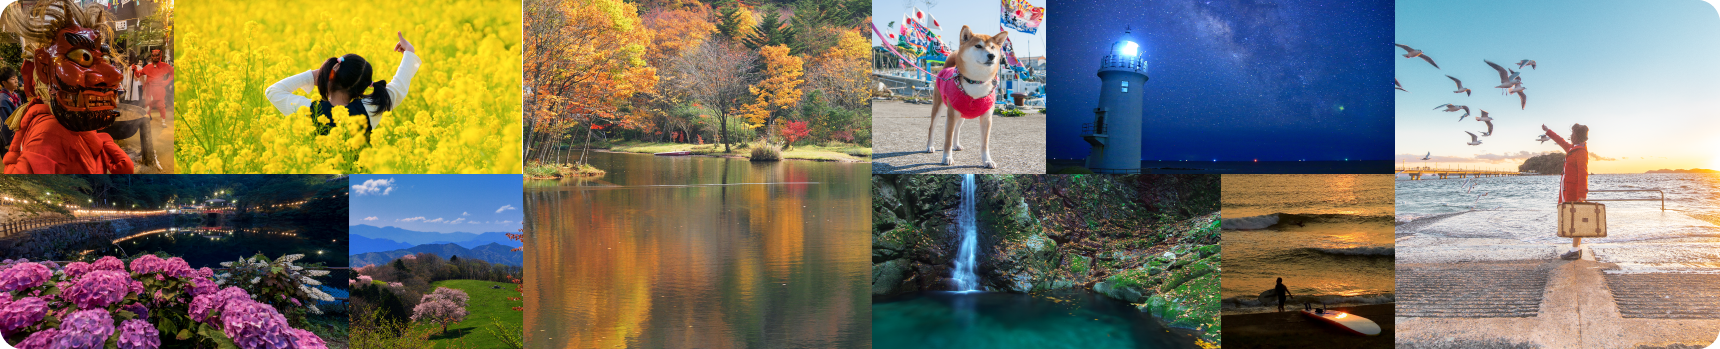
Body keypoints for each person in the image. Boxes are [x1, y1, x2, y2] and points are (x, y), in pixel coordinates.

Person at [0, 0, 134, 174]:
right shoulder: (49, 137)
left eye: (106, 60)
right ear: (43, 68)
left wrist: (102, 142)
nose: (116, 76)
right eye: (84, 57)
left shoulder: (66, 120)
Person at [265, 31, 419, 141]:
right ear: (363, 90)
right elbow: (398, 87)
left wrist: (316, 74)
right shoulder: (370, 109)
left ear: (328, 77)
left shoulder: (309, 110)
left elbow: (273, 91)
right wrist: (409, 52)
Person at [1544, 123, 1590, 259]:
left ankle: (1575, 250)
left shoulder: (1581, 152)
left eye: (1573, 133)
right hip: (1568, 189)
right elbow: (1561, 141)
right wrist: (1548, 131)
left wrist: (1582, 195)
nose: (1570, 136)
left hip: (1574, 192)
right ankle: (1577, 248)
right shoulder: (1573, 148)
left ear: (1577, 136)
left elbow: (1583, 174)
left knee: (1575, 220)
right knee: (1572, 219)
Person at [137, 49, 172, 126]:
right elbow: (139, 73)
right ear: (151, 56)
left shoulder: (164, 65)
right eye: (153, 55)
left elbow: (172, 72)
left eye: (157, 55)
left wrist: (167, 82)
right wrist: (135, 69)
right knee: (148, 104)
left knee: (161, 105)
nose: (155, 57)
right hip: (150, 88)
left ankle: (163, 121)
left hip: (159, 88)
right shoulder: (148, 66)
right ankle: (147, 119)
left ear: (160, 56)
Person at [0, 67, 21, 153]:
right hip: (13, 140)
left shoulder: (15, 95)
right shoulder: (2, 100)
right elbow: (5, 126)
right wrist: (11, 143)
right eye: (13, 79)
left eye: (16, 78)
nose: (16, 81)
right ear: (4, 83)